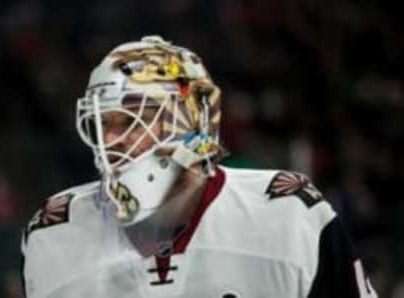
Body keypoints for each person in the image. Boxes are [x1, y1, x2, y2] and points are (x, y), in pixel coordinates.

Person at [20, 36, 378, 298]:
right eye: (105, 123)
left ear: (195, 121)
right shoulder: (54, 235)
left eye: (136, 119)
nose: (114, 139)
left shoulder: (288, 215)